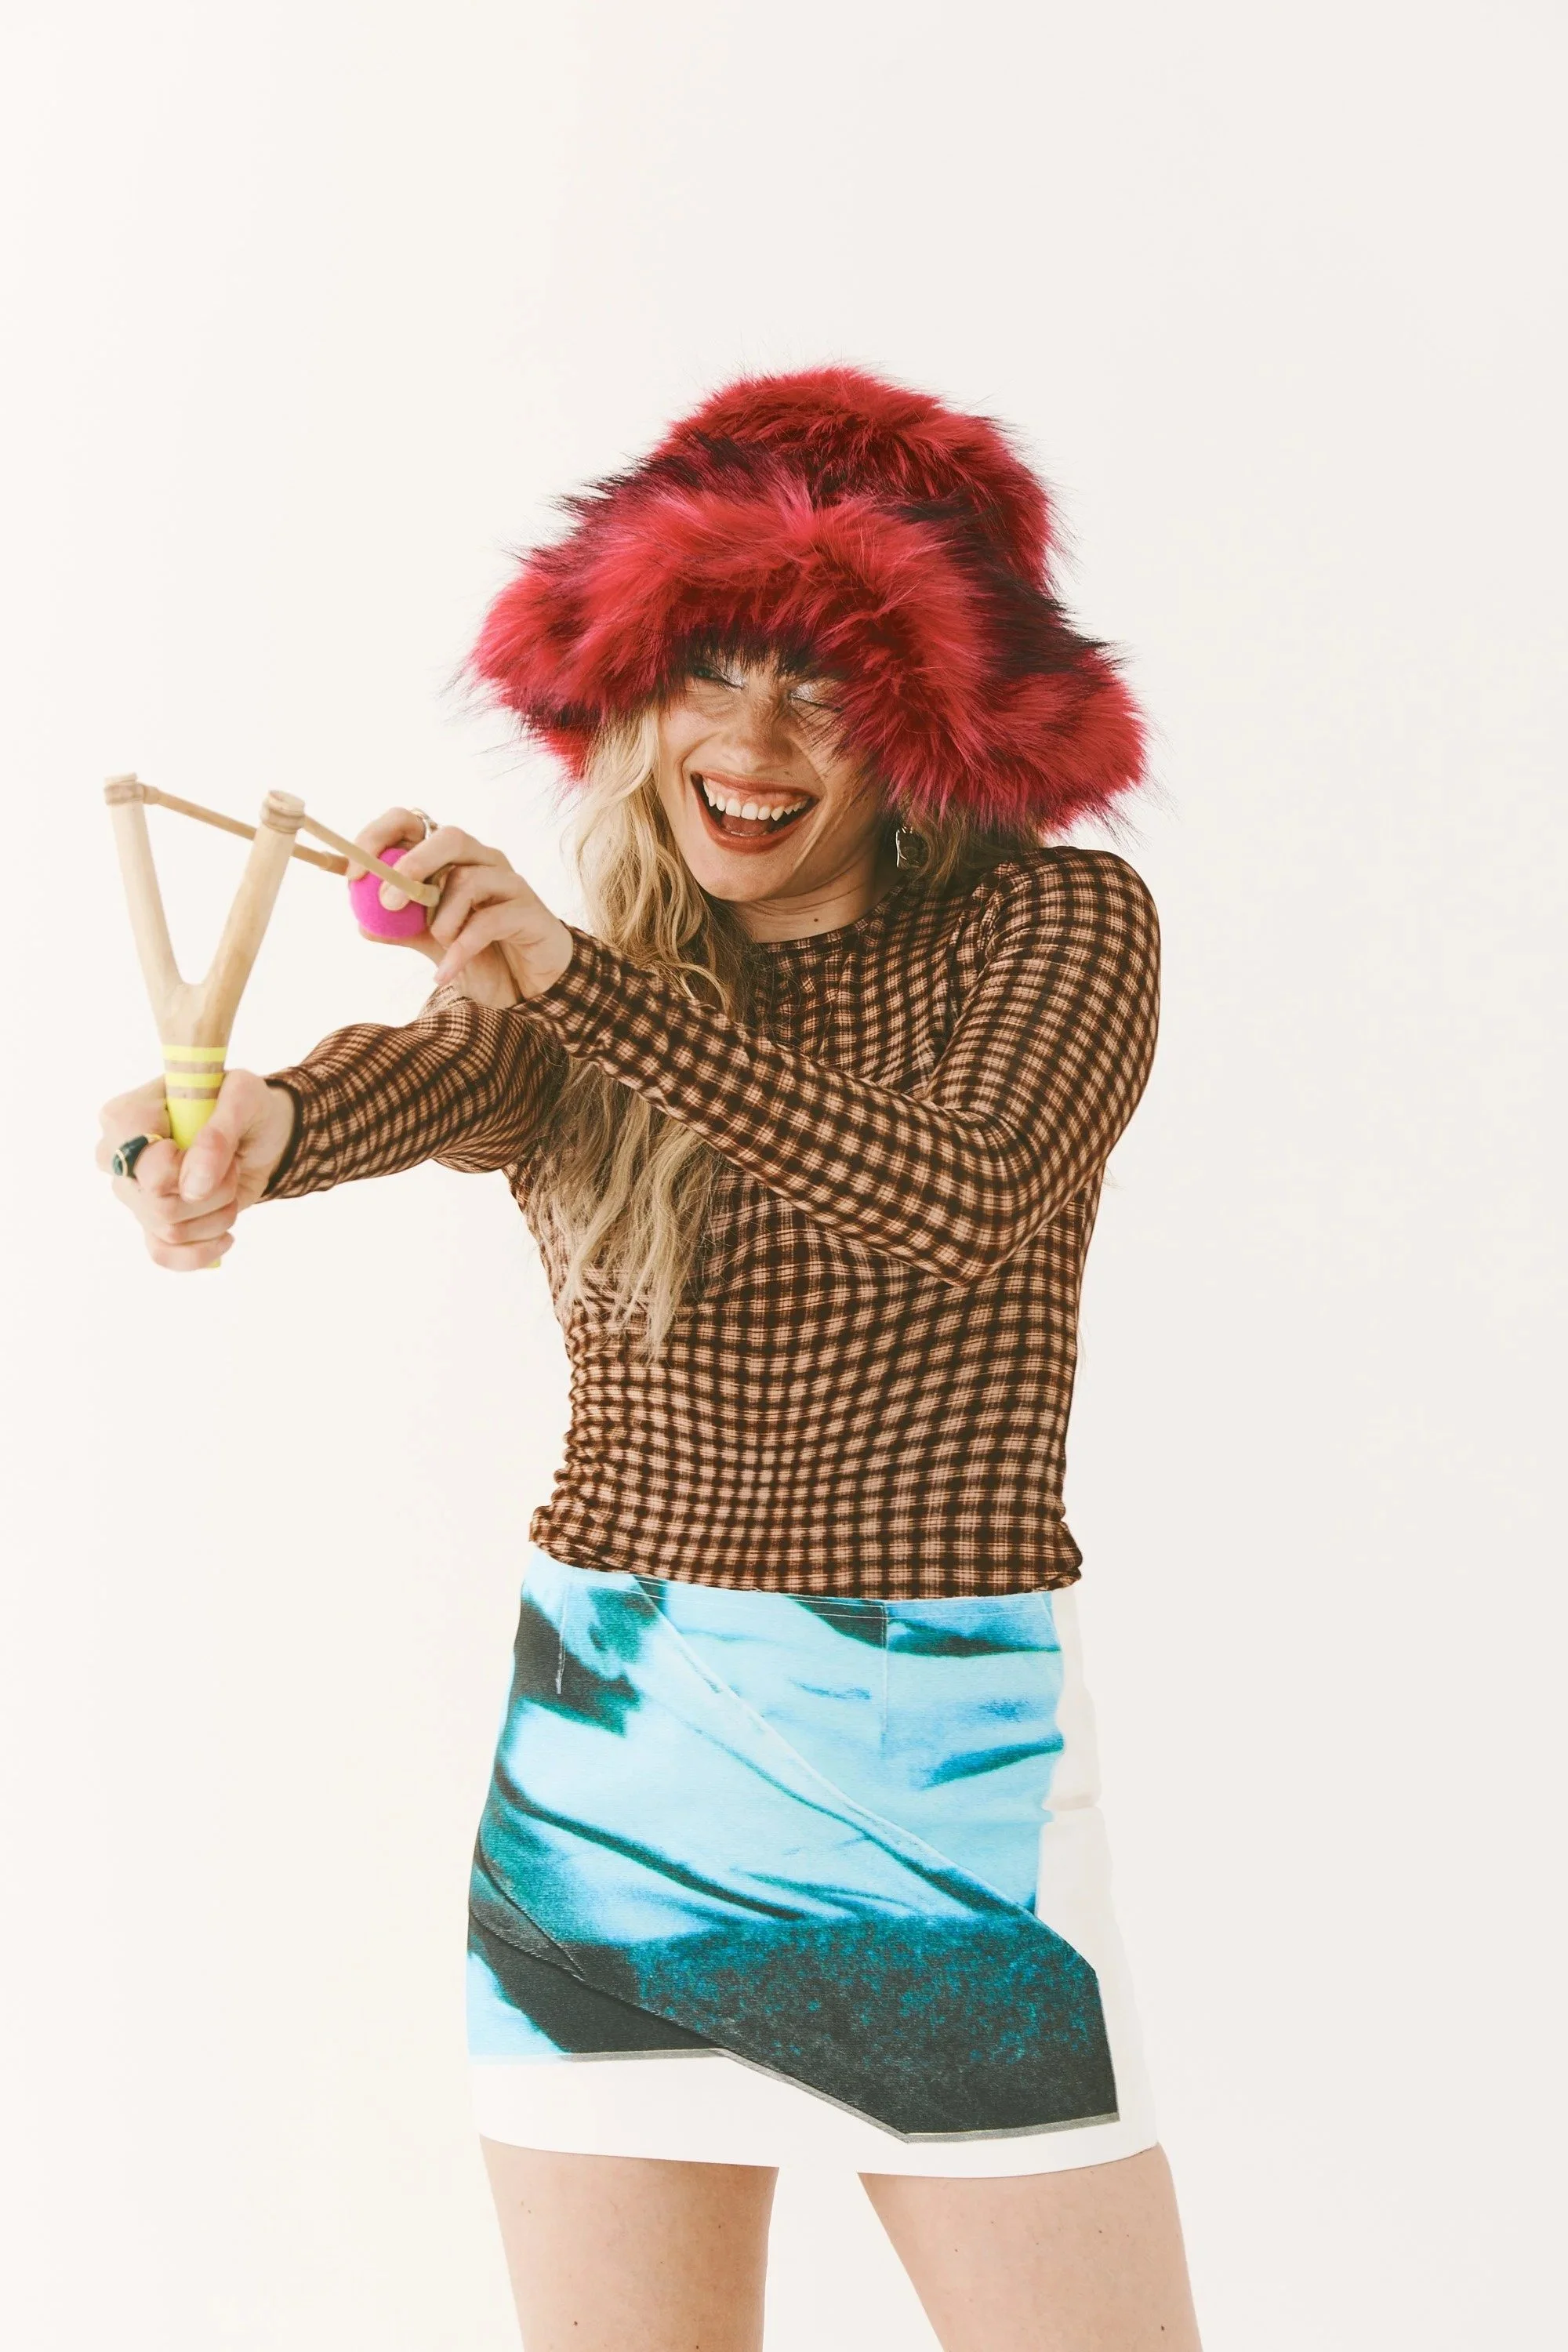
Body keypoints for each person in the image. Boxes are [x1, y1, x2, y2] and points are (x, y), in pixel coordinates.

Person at [98, 368, 1203, 2351]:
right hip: (612, 1774)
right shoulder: (594, 983)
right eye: (711, 669)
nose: (752, 742)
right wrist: (236, 1131)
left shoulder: (1057, 927)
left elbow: (963, 1196)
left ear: (929, 725)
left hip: (936, 1779)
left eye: (825, 688)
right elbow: (422, 1074)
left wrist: (580, 980)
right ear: (631, 692)